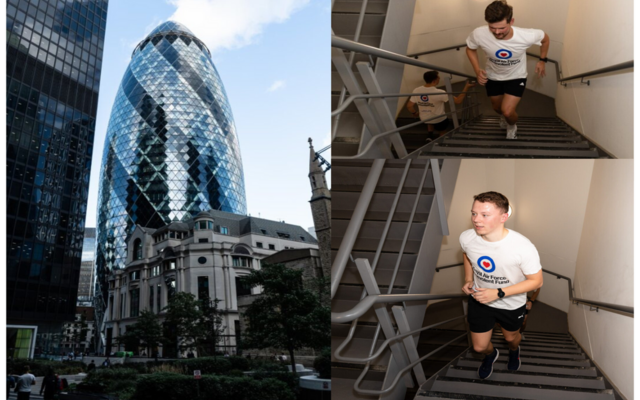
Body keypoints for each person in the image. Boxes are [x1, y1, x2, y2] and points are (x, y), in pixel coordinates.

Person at [460, 191, 543, 379]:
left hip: (511, 304)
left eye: (484, 215)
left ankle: (514, 351)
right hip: (480, 299)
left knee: (510, 338)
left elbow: (537, 281)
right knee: (479, 346)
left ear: (503, 217)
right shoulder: (467, 237)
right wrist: (468, 279)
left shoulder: (522, 247)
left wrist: (498, 293)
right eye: (474, 213)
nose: (476, 220)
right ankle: (491, 355)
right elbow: (467, 254)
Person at [465, 0, 550, 139]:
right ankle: (504, 118)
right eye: (492, 28)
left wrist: (542, 60)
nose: (497, 32)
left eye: (502, 28)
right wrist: (477, 69)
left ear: (511, 21)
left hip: (516, 76)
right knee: (497, 108)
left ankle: (511, 125)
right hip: (492, 76)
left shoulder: (526, 35)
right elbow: (470, 49)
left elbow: (545, 39)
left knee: (507, 111)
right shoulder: (478, 33)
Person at [407, 71, 475, 139]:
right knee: (442, 130)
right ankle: (441, 141)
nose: (439, 78)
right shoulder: (440, 92)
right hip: (439, 119)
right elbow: (458, 101)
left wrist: (414, 113)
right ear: (434, 81)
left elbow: (409, 106)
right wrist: (466, 87)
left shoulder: (416, 90)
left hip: (424, 119)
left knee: (429, 118)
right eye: (438, 78)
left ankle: (430, 136)